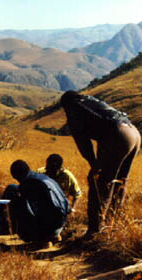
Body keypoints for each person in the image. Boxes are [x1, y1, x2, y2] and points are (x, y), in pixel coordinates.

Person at [60, 90, 141, 238]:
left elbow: (83, 143)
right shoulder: (91, 101)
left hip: (118, 135)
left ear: (65, 105)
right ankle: (114, 225)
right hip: (133, 132)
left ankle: (95, 231)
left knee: (98, 181)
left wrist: (94, 165)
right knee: (120, 181)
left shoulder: (74, 109)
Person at [0, 159, 70, 245]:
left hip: (49, 227)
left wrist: (11, 206)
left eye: (16, 178)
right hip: (60, 224)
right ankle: (54, 235)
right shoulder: (43, 177)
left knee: (14, 200)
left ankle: (41, 240)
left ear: (18, 175)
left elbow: (29, 210)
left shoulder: (29, 183)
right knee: (13, 189)